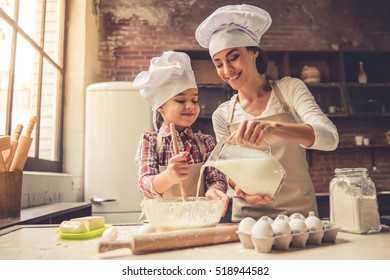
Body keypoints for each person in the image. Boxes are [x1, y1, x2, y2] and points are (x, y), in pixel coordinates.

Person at [195, 4, 339, 222]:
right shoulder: (223, 115)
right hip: (246, 219)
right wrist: (242, 190)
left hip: (298, 216)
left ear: (254, 52)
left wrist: (274, 128)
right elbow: (229, 173)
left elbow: (330, 138)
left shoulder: (290, 89)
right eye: (219, 63)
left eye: (233, 57)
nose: (227, 70)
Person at [133, 51, 229, 222]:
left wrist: (215, 189)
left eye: (194, 100)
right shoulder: (149, 141)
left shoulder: (206, 141)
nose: (190, 106)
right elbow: (145, 186)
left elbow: (216, 177)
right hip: (160, 223)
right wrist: (169, 176)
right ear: (160, 107)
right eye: (180, 100)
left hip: (197, 220)